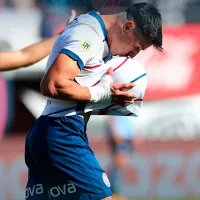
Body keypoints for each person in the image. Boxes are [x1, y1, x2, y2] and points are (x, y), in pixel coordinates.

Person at [24, 3, 162, 200]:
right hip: (62, 133)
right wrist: (101, 94)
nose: (133, 55)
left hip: (52, 130)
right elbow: (53, 84)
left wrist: (107, 99)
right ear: (128, 26)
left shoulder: (94, 31)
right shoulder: (89, 34)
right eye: (137, 47)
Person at [106, 116, 136, 200]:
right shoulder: (116, 107)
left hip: (126, 138)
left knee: (120, 165)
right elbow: (111, 117)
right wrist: (115, 132)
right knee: (117, 164)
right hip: (120, 137)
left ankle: (114, 192)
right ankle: (114, 192)